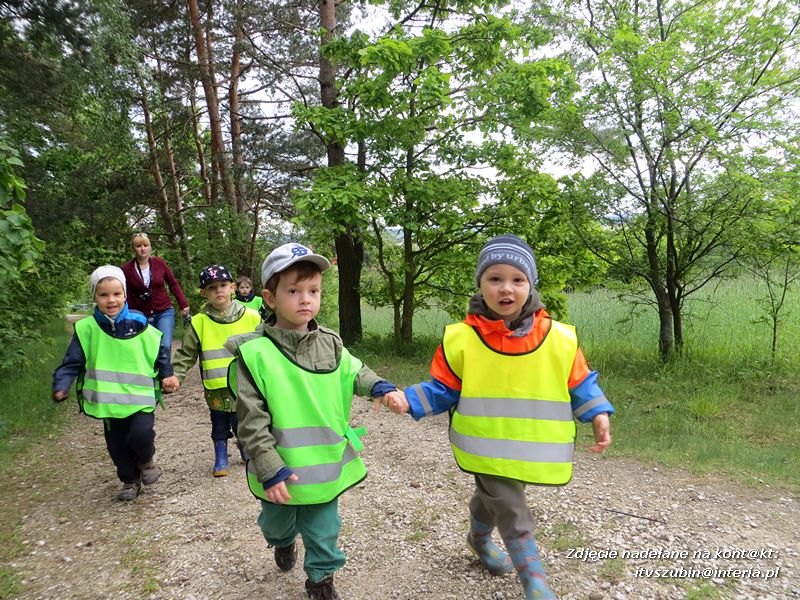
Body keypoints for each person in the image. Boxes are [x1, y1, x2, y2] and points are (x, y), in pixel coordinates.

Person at [398, 234, 614, 600]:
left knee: (492, 499)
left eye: (517, 279)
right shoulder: (462, 339)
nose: (506, 288)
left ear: (531, 285)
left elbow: (580, 381)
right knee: (511, 509)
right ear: (480, 285)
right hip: (483, 447)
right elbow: (443, 388)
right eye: (494, 278)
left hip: (528, 450)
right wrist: (408, 399)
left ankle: (478, 540)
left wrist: (598, 413)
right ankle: (535, 583)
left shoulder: (559, 338)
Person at [225, 242, 406, 600]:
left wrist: (380, 387)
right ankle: (282, 542)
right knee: (276, 525)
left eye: (313, 291)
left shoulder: (332, 343)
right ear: (270, 298)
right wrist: (269, 468)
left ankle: (320, 579)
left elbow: (355, 371)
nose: (305, 299)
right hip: (278, 471)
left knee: (324, 529)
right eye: (293, 291)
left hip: (324, 468)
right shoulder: (253, 354)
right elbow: (250, 421)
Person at [52, 266, 180, 501]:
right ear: (94, 297)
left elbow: (158, 348)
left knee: (141, 434)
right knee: (117, 446)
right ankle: (130, 481)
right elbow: (72, 362)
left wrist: (167, 374)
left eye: (116, 294)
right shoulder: (87, 329)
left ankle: (146, 461)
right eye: (103, 295)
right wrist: (61, 385)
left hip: (139, 398)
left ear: (125, 295)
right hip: (109, 402)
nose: (111, 300)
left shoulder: (139, 322)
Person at [172, 264, 262, 477]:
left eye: (222, 285)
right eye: (212, 287)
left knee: (243, 421)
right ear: (204, 293)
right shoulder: (199, 322)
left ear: (232, 287)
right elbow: (186, 353)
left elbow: (265, 348)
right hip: (216, 387)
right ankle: (221, 457)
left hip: (244, 384)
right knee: (219, 423)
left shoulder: (252, 317)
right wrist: (177, 375)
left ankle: (245, 447)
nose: (218, 290)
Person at [121, 232, 191, 351]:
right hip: (142, 314)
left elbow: (173, 284)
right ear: (133, 249)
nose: (142, 248)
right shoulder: (126, 269)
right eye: (138, 246)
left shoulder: (159, 263)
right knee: (150, 349)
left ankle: (165, 364)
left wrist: (183, 304)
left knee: (165, 346)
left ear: (150, 247)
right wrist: (130, 315)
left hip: (164, 310)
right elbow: (128, 295)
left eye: (145, 245)